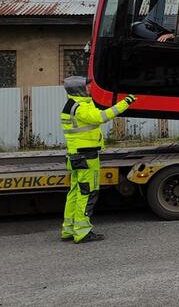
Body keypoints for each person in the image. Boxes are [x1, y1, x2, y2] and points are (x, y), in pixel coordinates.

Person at [60, 76, 135, 244]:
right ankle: (82, 232)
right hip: (86, 157)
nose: (90, 89)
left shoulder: (73, 105)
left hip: (75, 155)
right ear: (79, 89)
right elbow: (101, 117)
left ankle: (69, 229)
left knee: (75, 192)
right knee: (88, 192)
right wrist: (126, 102)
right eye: (87, 86)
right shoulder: (79, 108)